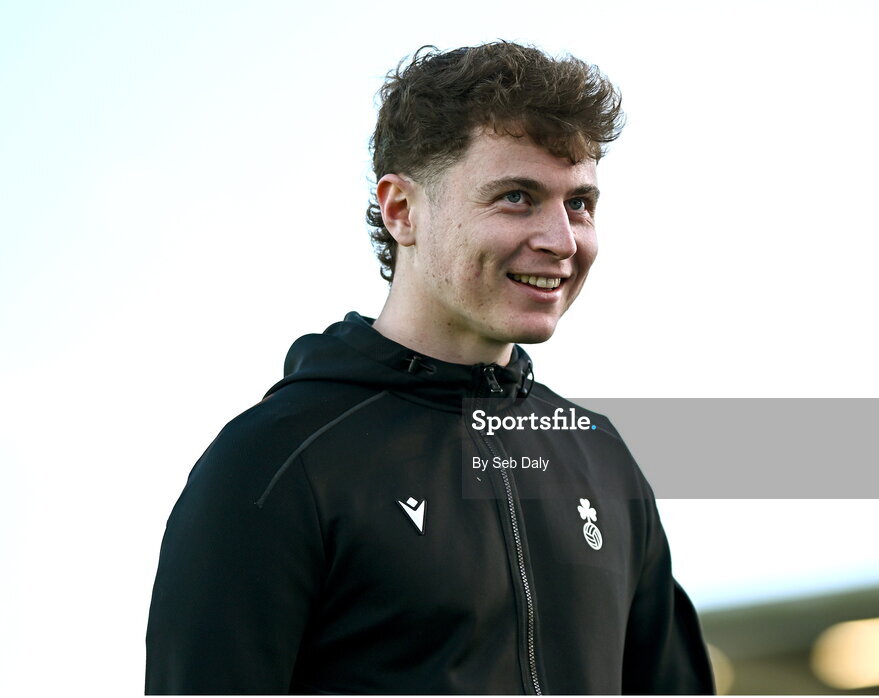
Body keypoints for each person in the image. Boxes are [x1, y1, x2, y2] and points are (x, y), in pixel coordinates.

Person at [145, 41, 714, 695]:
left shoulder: (600, 457)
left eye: (579, 203)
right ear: (401, 211)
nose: (562, 241)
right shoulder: (275, 464)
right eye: (516, 198)